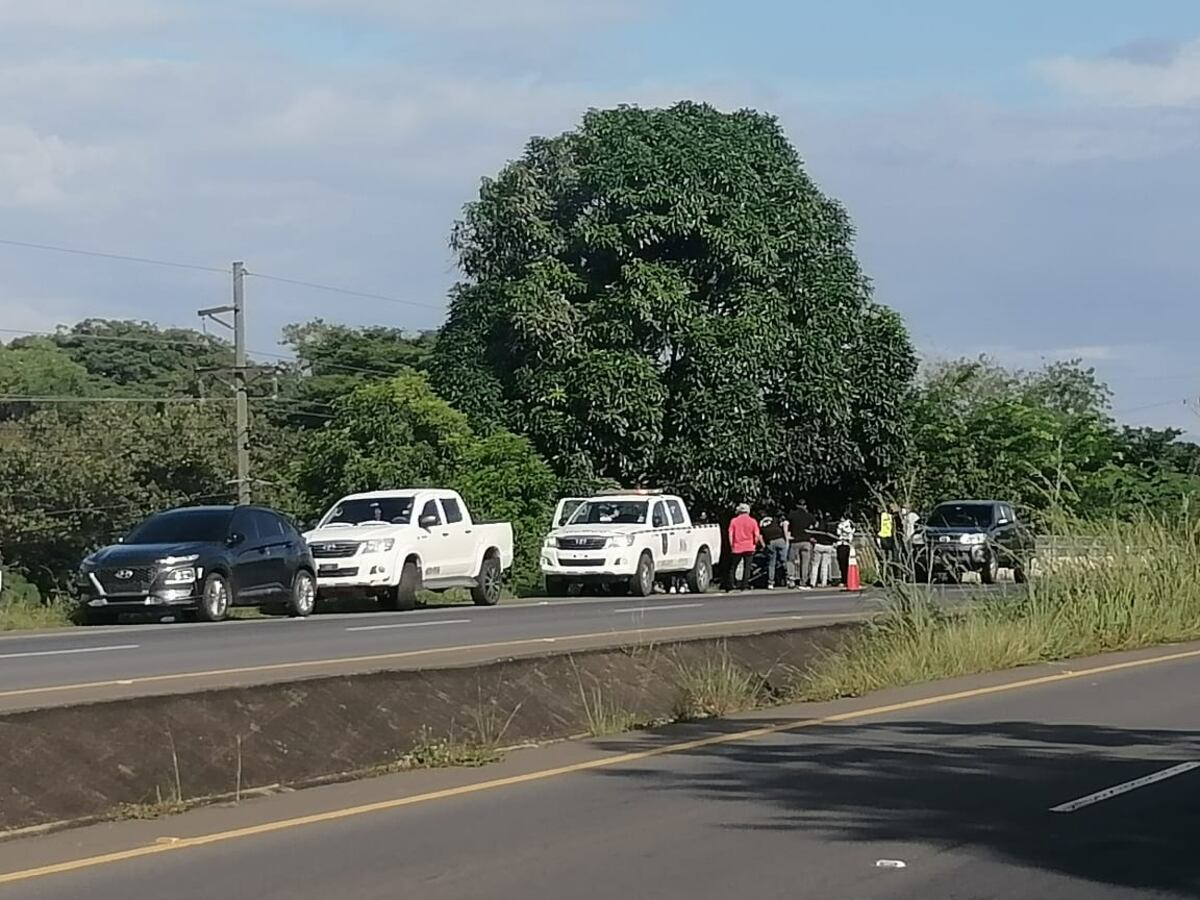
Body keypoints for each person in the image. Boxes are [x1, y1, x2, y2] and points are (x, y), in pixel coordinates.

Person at [726, 503, 762, 592]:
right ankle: (745, 585)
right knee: (747, 567)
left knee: (733, 567)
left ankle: (731, 585)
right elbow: (756, 535)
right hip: (749, 547)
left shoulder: (734, 521)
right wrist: (755, 544)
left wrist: (732, 545)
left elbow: (730, 535)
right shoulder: (753, 521)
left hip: (737, 547)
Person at [786, 501, 816, 589]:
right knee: (805, 563)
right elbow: (814, 525)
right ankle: (803, 581)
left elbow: (787, 524)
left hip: (795, 541)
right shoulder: (809, 516)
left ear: (797, 505)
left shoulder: (792, 515)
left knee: (791, 561)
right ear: (805, 506)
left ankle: (791, 580)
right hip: (806, 541)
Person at [760, 514, 788, 589]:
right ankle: (789, 579)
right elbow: (783, 527)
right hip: (780, 539)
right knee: (784, 560)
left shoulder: (761, 523)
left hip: (770, 542)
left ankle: (771, 583)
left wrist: (764, 546)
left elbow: (760, 536)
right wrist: (786, 540)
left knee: (771, 563)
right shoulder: (775, 519)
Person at [809, 514, 837, 588]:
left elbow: (813, 534)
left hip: (819, 545)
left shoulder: (819, 525)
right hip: (828, 546)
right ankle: (824, 582)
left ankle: (813, 582)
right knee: (824, 566)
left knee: (815, 565)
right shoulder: (832, 526)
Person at [835, 511, 854, 585]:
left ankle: (846, 579)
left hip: (846, 544)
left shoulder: (848, 524)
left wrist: (842, 528)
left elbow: (849, 531)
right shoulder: (839, 524)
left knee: (845, 562)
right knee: (840, 562)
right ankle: (843, 578)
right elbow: (838, 533)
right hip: (840, 544)